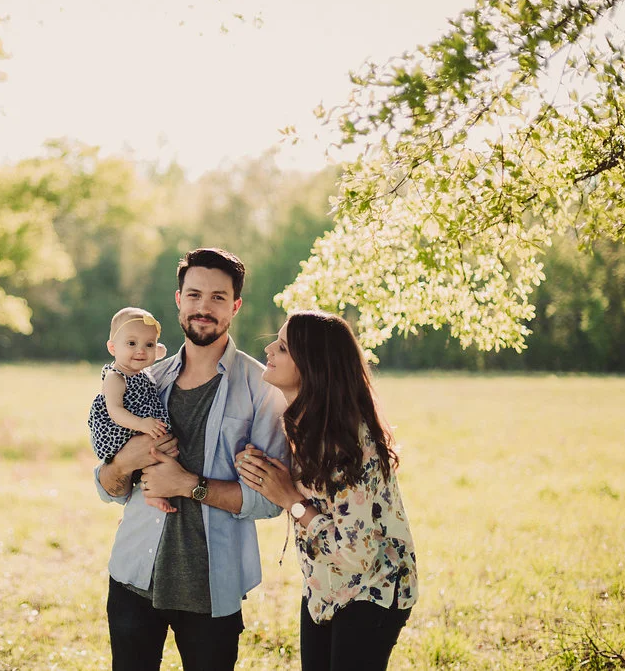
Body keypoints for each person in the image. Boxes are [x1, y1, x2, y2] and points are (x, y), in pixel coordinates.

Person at [94, 247, 289, 671]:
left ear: (235, 306)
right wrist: (123, 463)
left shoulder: (262, 388)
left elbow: (270, 500)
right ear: (179, 299)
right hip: (132, 575)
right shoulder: (145, 378)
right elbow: (108, 486)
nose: (204, 307)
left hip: (211, 588)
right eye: (195, 295)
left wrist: (188, 485)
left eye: (218, 297)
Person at [235, 311, 418, 671]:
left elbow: (356, 555)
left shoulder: (347, 442)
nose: (268, 349)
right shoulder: (301, 424)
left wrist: (291, 500)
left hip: (373, 591)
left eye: (283, 348)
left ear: (313, 366)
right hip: (323, 588)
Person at [89, 307, 175, 514]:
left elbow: (152, 352)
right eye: (131, 344)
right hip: (121, 431)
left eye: (149, 345)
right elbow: (115, 411)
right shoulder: (115, 377)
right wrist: (141, 424)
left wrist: (156, 350)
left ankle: (153, 491)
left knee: (161, 453)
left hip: (139, 426)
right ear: (112, 348)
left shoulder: (140, 370)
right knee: (151, 452)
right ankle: (150, 493)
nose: (141, 351)